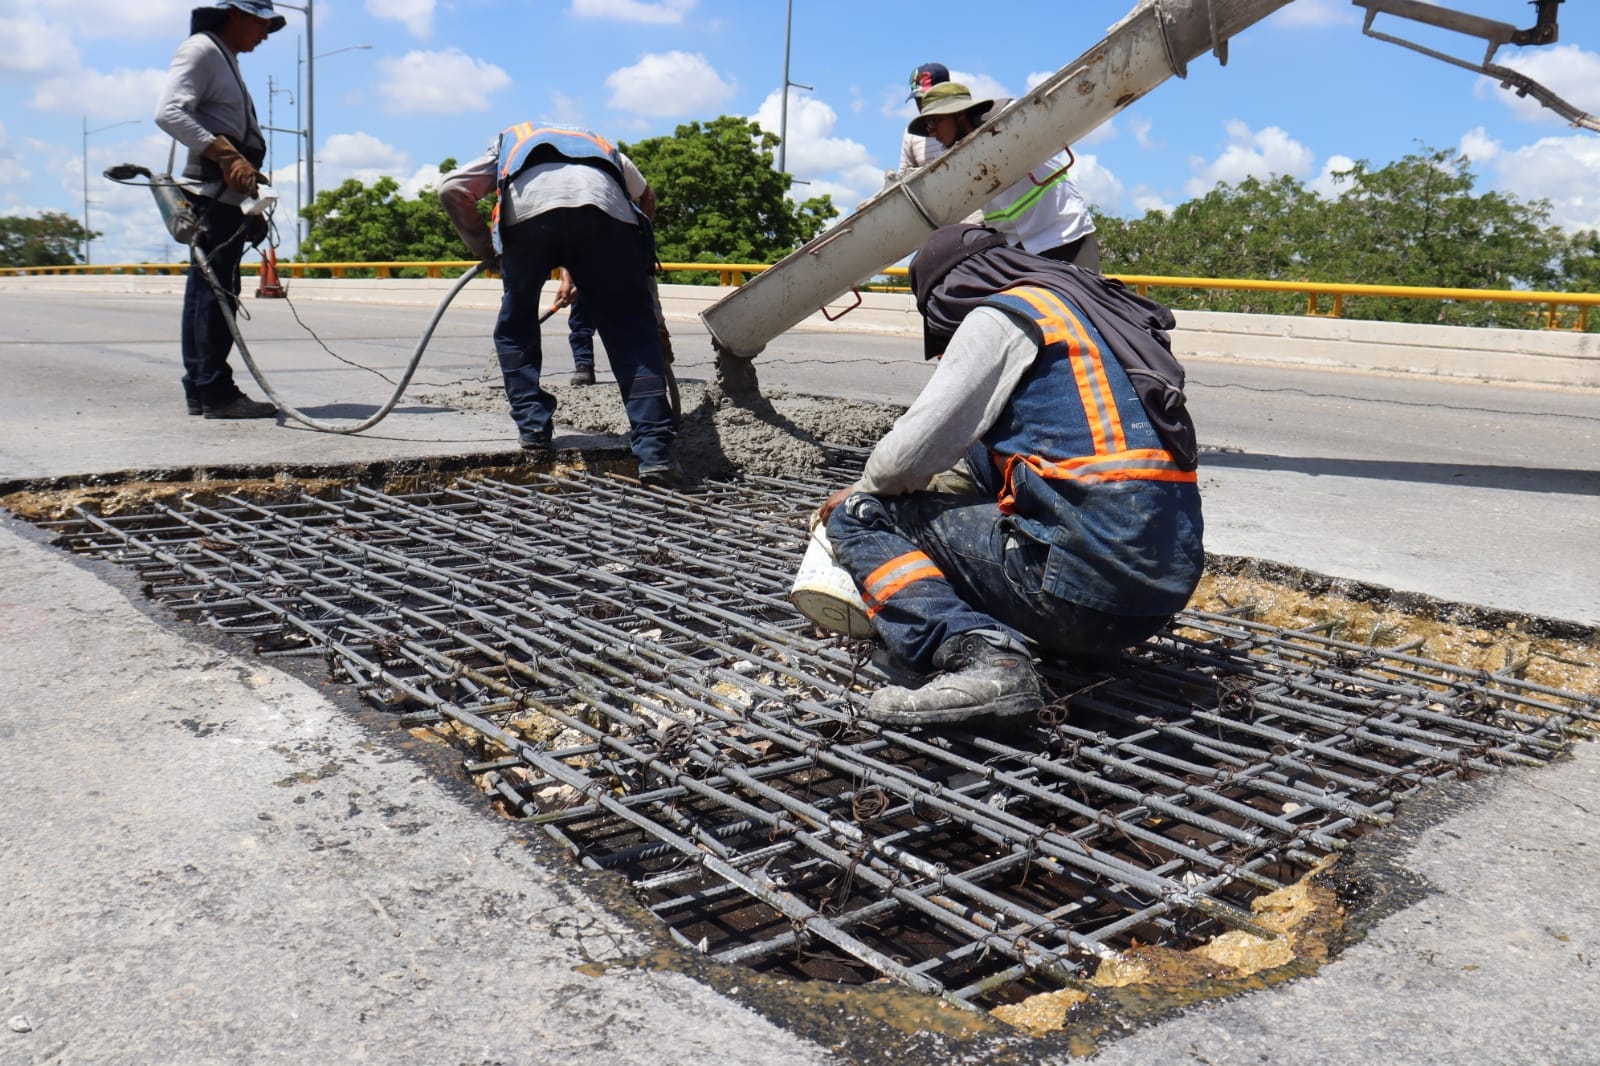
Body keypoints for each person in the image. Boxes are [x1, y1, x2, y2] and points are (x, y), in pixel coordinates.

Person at [817, 224, 1204, 726]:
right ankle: (1066, 640)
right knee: (986, 451)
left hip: (1083, 593)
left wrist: (865, 494)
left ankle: (983, 656)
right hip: (1155, 600)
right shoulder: (1098, 315)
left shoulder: (1004, 315)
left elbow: (900, 462)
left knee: (861, 514)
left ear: (948, 290)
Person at [439, 122, 676, 481]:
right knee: (632, 334)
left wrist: (486, 249)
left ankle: (533, 429)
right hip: (608, 214)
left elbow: (453, 189)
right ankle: (655, 451)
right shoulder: (599, 144)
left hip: (529, 215)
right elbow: (645, 196)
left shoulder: (512, 140)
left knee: (516, 324)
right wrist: (627, 259)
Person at [153, 0, 284, 420]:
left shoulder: (222, 55)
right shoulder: (202, 50)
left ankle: (202, 388)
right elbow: (169, 112)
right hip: (209, 194)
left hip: (224, 199)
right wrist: (224, 154)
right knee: (215, 294)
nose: (264, 35)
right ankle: (215, 391)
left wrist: (249, 207)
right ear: (237, 14)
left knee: (210, 292)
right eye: (262, 25)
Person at [909, 83, 1101, 272]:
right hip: (1026, 251)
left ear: (958, 114)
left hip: (1064, 235)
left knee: (1084, 302)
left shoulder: (1008, 124)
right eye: (927, 126)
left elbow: (1027, 113)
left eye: (933, 122)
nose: (931, 133)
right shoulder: (961, 160)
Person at [899, 62, 951, 176]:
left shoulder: (965, 120)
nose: (922, 104)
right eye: (918, 99)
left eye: (928, 97)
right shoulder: (912, 132)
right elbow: (904, 175)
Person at [566, 295, 597, 386]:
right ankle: (584, 365)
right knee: (581, 320)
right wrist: (567, 282)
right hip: (583, 283)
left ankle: (633, 369)